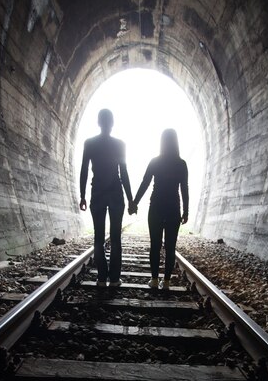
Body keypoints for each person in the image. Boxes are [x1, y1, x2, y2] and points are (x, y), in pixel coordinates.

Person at [79, 109, 134, 287]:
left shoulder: (90, 143)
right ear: (112, 123)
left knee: (98, 237)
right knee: (116, 237)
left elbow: (84, 170)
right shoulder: (120, 144)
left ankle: (102, 278)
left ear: (98, 122)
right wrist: (131, 199)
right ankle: (115, 279)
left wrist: (82, 195)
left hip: (98, 193)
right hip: (116, 193)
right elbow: (123, 173)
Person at [130, 129, 188, 289]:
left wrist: (135, 202)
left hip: (156, 206)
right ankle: (167, 282)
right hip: (173, 208)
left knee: (155, 245)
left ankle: (154, 280)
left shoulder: (155, 161)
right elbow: (184, 189)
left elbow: (145, 183)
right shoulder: (181, 163)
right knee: (170, 247)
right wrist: (186, 211)